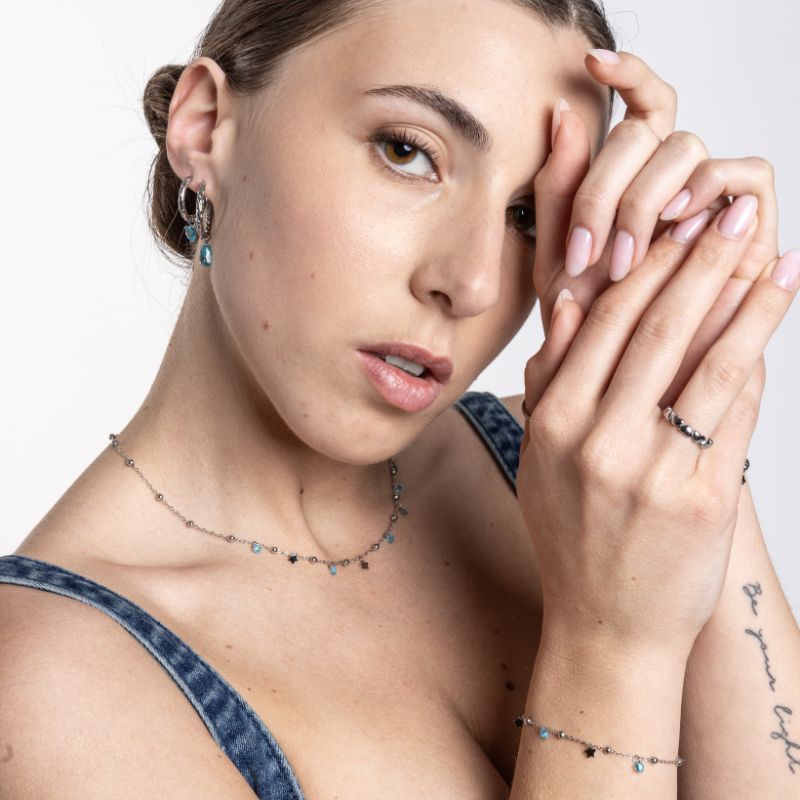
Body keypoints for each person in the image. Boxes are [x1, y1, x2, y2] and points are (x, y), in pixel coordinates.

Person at [1, 1, 798, 798]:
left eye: (527, 215)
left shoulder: (604, 483)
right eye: (408, 152)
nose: (473, 282)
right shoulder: (45, 686)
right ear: (205, 127)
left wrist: (683, 390)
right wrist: (616, 645)